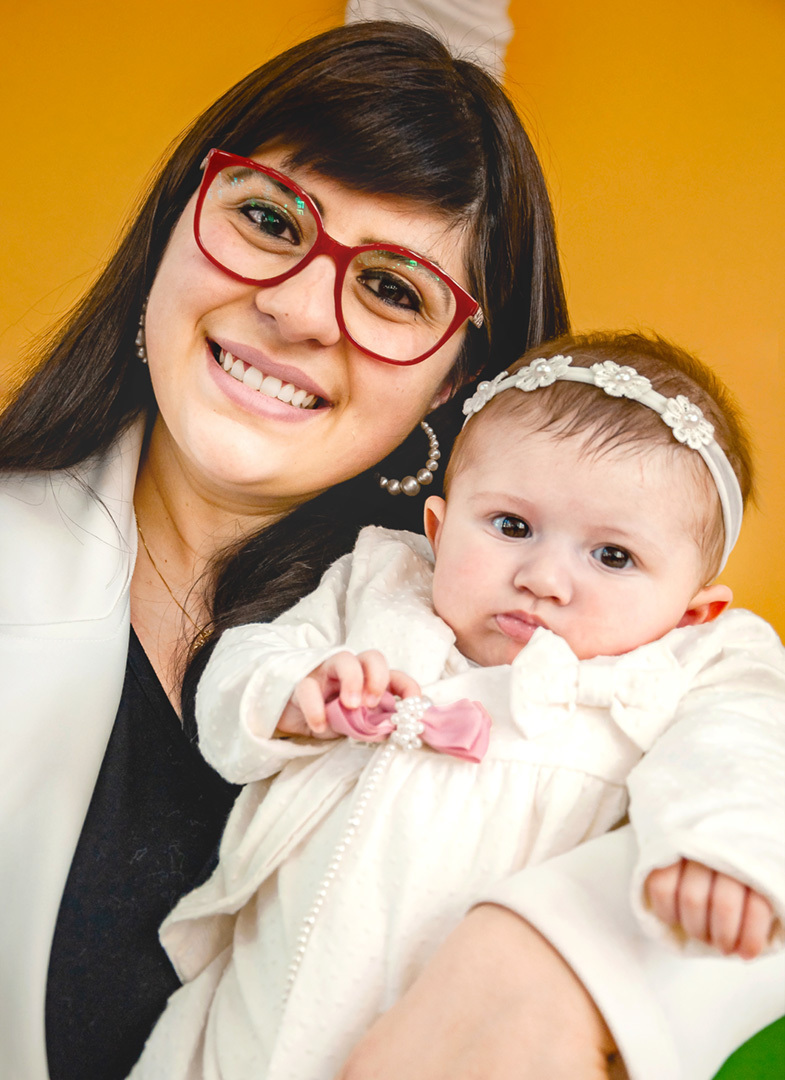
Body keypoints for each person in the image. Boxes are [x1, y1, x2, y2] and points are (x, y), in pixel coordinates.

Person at [0, 19, 781, 1080]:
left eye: (393, 289)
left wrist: (554, 955)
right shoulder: (356, 619)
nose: (295, 311)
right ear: (174, 225)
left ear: (453, 383)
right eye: (268, 220)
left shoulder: (557, 629)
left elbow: (743, 767)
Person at [126, 331, 785, 1080]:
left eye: (611, 556)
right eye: (511, 527)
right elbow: (238, 670)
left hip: (476, 1037)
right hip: (251, 1018)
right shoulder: (377, 586)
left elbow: (744, 753)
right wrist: (295, 690)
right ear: (437, 530)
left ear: (691, 611)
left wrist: (719, 852)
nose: (542, 577)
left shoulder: (692, 665)